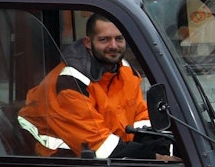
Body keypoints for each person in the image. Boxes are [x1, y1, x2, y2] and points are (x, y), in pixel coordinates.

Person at [18, 13, 164, 159]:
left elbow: (140, 115)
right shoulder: (70, 83)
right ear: (88, 42)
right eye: (104, 39)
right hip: (60, 164)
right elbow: (99, 147)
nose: (113, 46)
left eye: (119, 39)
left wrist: (160, 144)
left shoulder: (125, 71)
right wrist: (154, 158)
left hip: (107, 155)